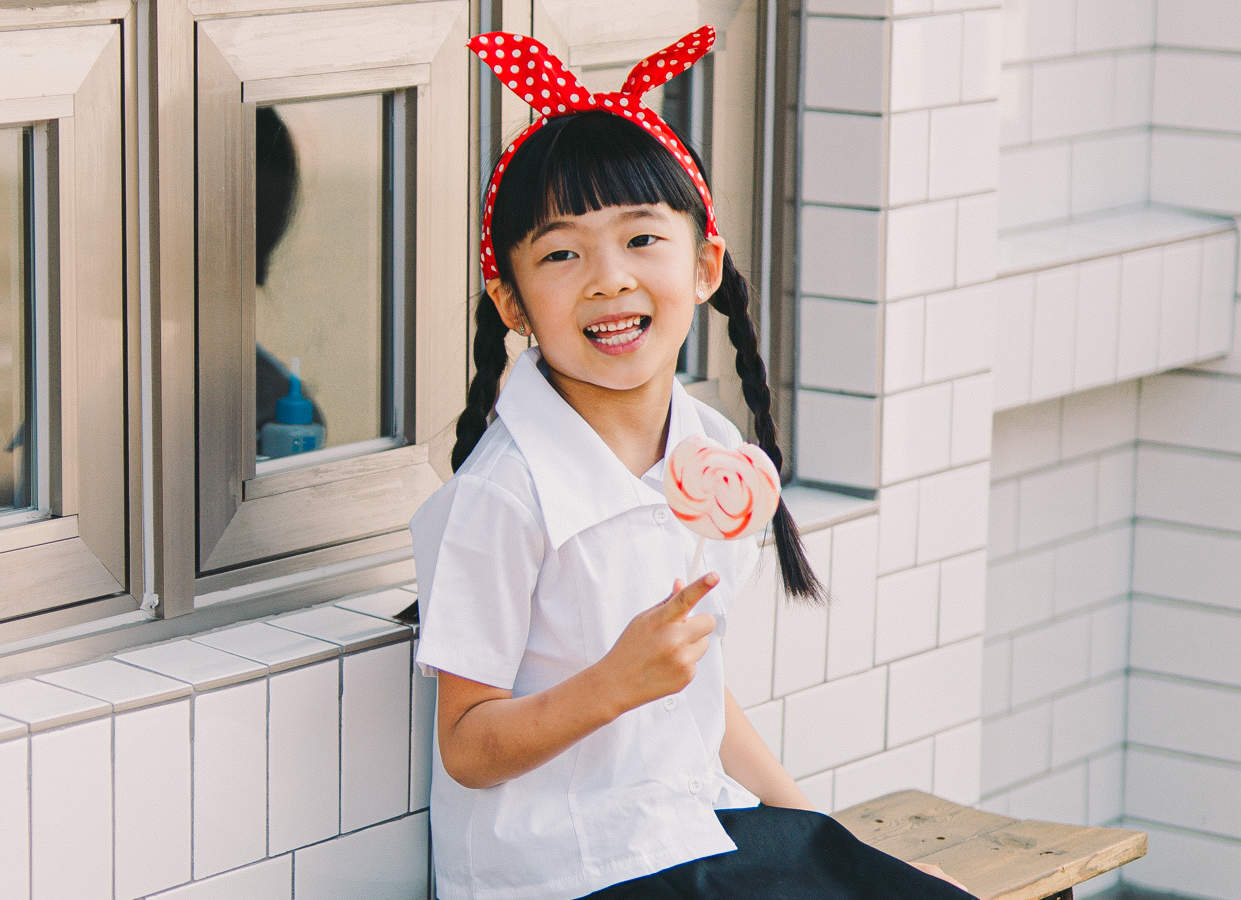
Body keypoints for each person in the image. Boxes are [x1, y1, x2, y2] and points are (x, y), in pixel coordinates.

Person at [410, 27, 978, 900]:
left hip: (687, 837)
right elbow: (469, 746)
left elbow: (695, 699)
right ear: (512, 302)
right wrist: (611, 684)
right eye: (562, 253)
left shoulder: (706, 452)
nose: (608, 279)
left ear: (705, 264)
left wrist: (844, 853)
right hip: (570, 875)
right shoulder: (502, 496)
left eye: (642, 239)